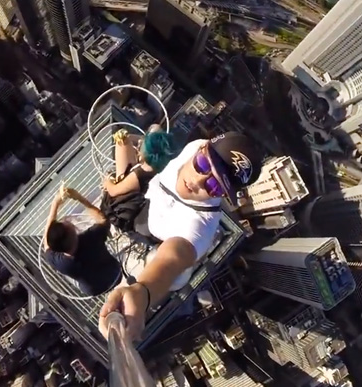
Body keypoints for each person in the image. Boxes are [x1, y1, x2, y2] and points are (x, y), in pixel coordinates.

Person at [99, 131, 263, 339]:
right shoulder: (195, 146)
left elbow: (173, 257)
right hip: (151, 199)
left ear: (222, 195)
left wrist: (142, 292)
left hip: (150, 225)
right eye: (203, 165)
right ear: (202, 149)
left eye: (214, 186)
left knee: (134, 220)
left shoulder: (199, 226)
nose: (197, 181)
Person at [44, 186, 121, 296]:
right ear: (73, 232)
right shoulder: (91, 238)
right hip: (115, 275)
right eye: (66, 223)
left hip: (94, 291)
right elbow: (103, 220)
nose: (67, 221)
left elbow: (46, 244)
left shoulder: (60, 262)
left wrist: (55, 204)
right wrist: (79, 198)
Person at [100, 125, 180, 232]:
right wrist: (128, 137)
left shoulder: (140, 175)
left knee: (121, 144)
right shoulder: (158, 167)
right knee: (151, 129)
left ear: (143, 155)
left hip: (124, 206)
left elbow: (114, 191)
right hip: (139, 189)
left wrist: (108, 180)